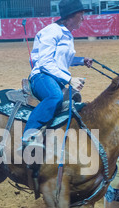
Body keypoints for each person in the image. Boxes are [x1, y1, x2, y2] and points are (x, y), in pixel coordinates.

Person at [21, 0, 93, 149]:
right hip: (41, 75)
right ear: (71, 16)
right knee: (55, 96)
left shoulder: (67, 34)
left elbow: (61, 59)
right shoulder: (52, 31)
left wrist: (81, 60)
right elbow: (46, 62)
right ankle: (29, 134)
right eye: (81, 15)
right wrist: (69, 79)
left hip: (55, 78)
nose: (83, 19)